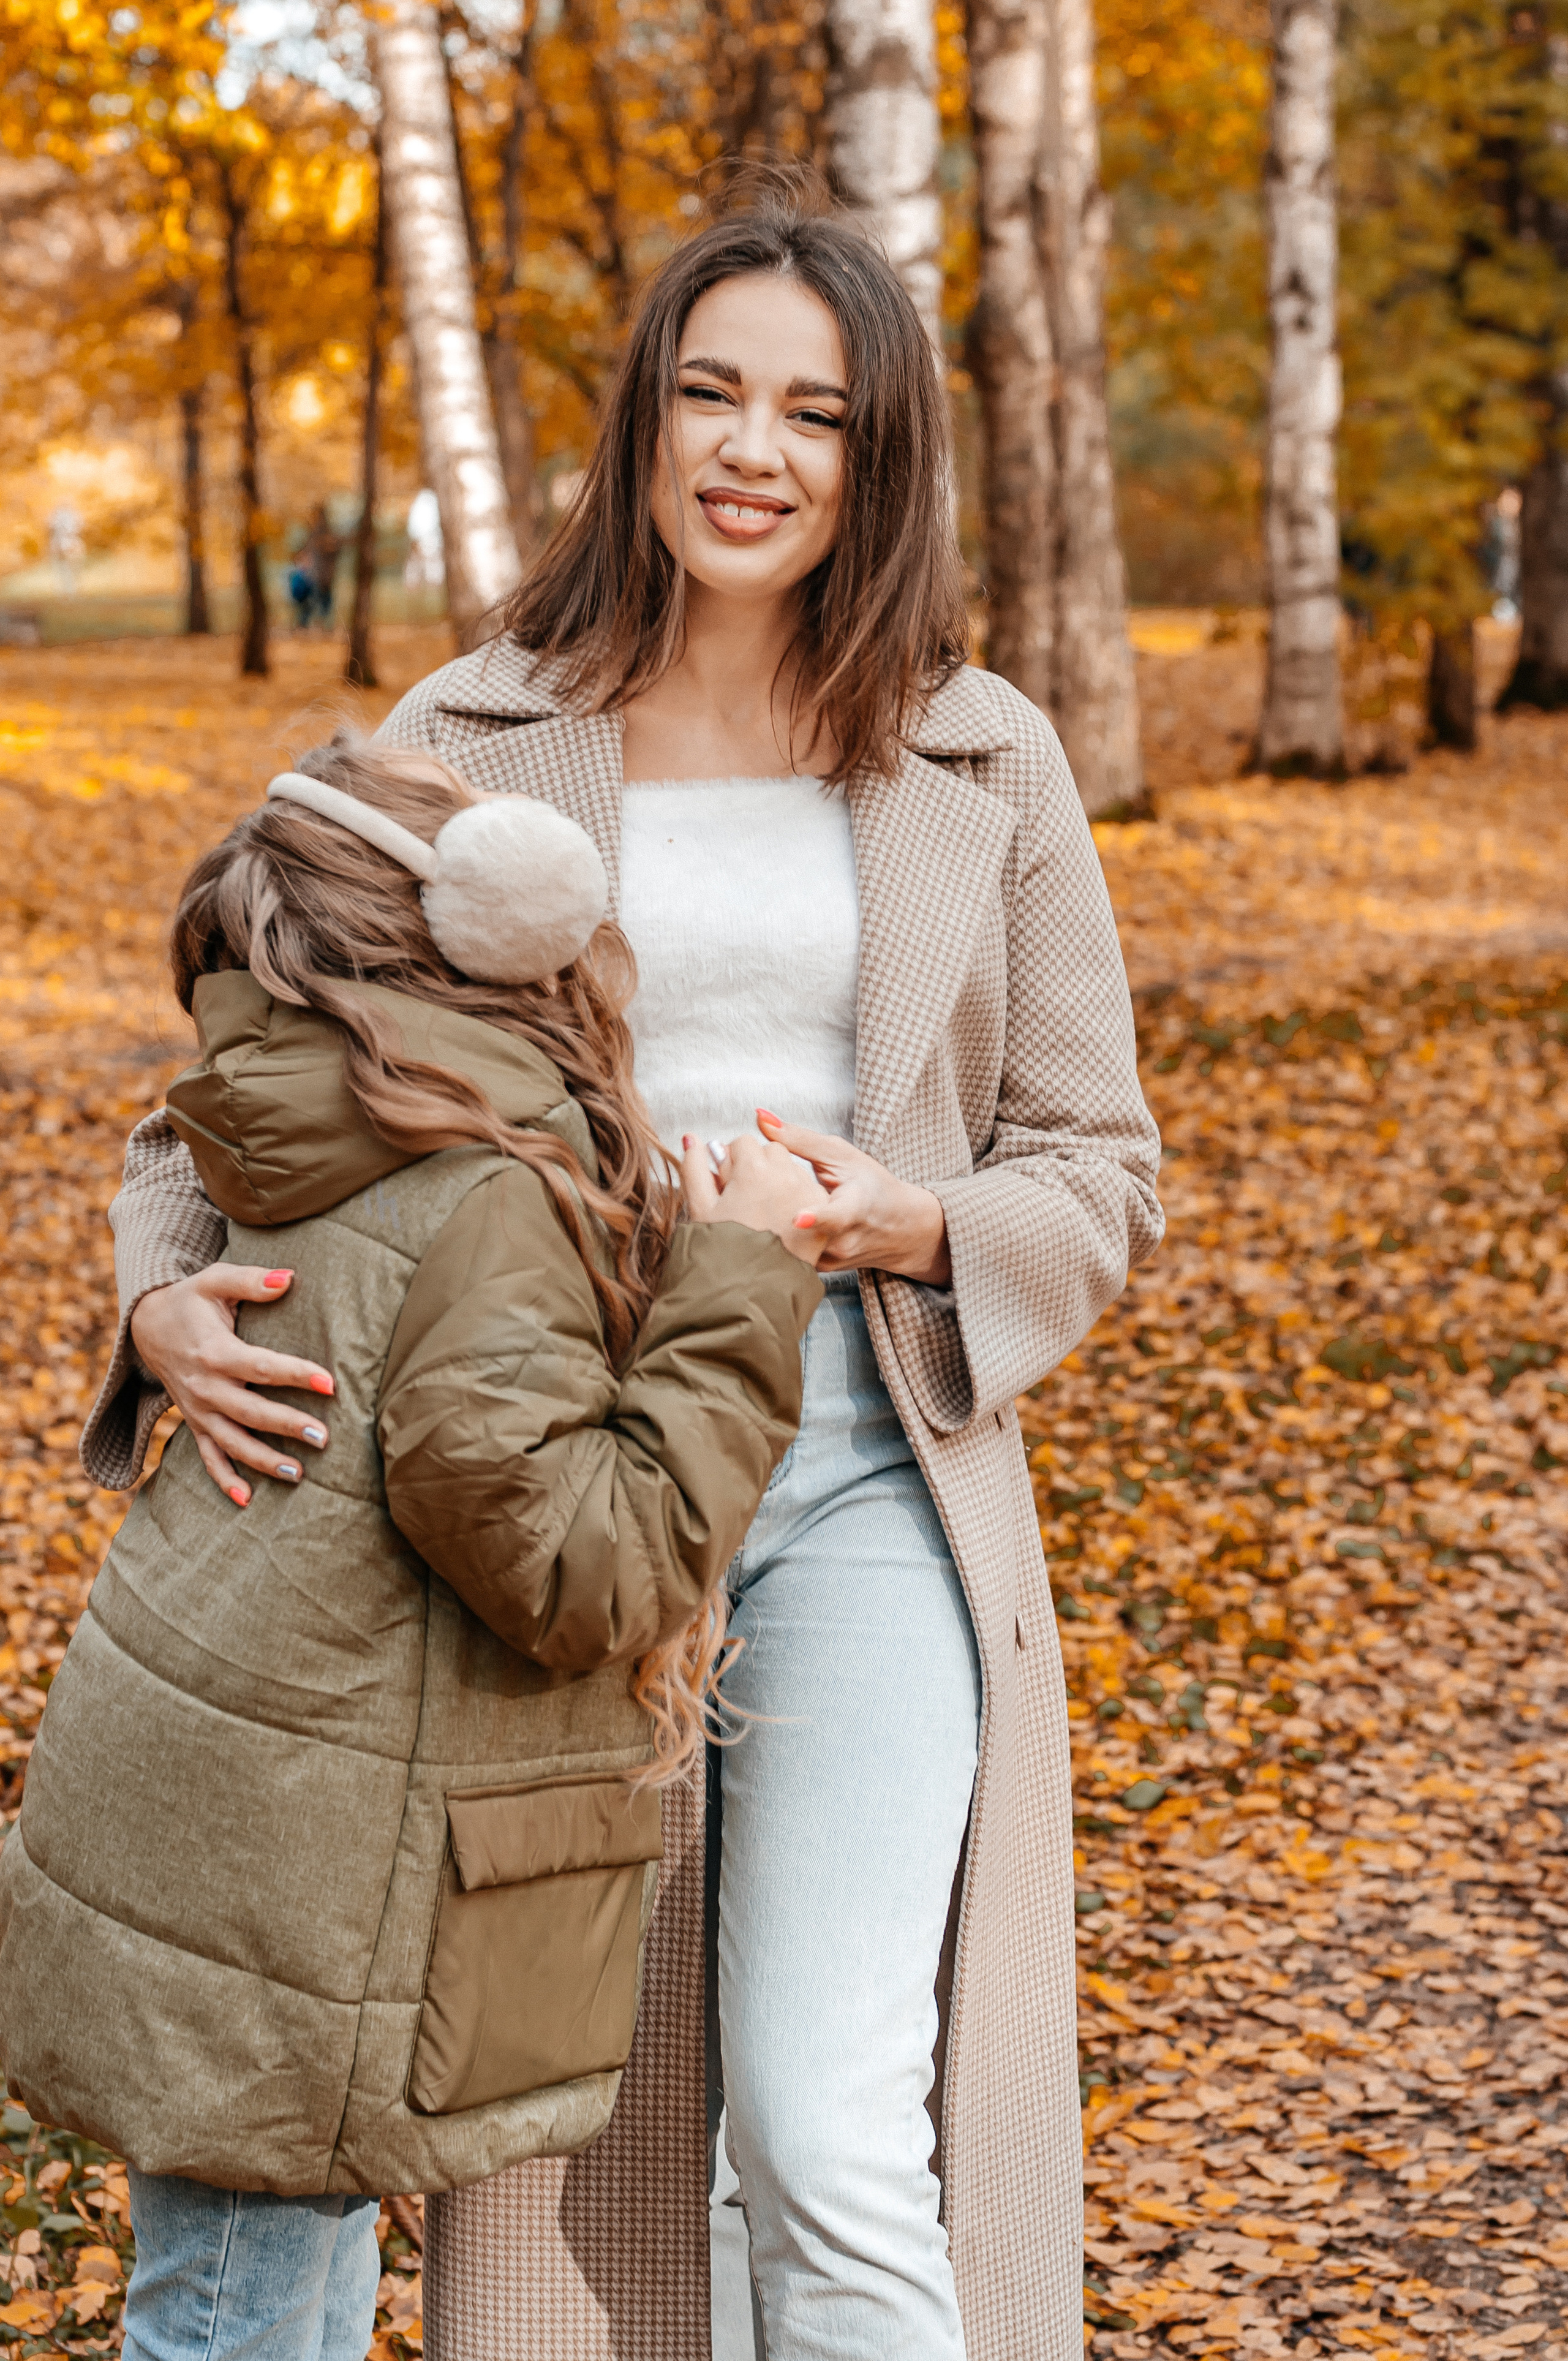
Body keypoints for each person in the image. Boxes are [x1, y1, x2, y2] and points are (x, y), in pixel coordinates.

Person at [81, 177, 1164, 2361]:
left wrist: (910, 1217)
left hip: (866, 1468)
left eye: (815, 416)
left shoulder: (985, 751)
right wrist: (157, 1296)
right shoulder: (472, 728)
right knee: (549, 2151)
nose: (754, 452)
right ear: (646, 424)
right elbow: (239, 1087)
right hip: (536, 1497)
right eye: (713, 395)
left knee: (830, 2117)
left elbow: (1101, 1165)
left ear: (881, 462)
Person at [0, 740, 826, 2361]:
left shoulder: (310, 1120)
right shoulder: (476, 1194)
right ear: (495, 946)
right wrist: (739, 1275)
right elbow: (582, 1570)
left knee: (265, 2287)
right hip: (297, 1881)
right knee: (235, 2319)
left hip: (239, 1828)